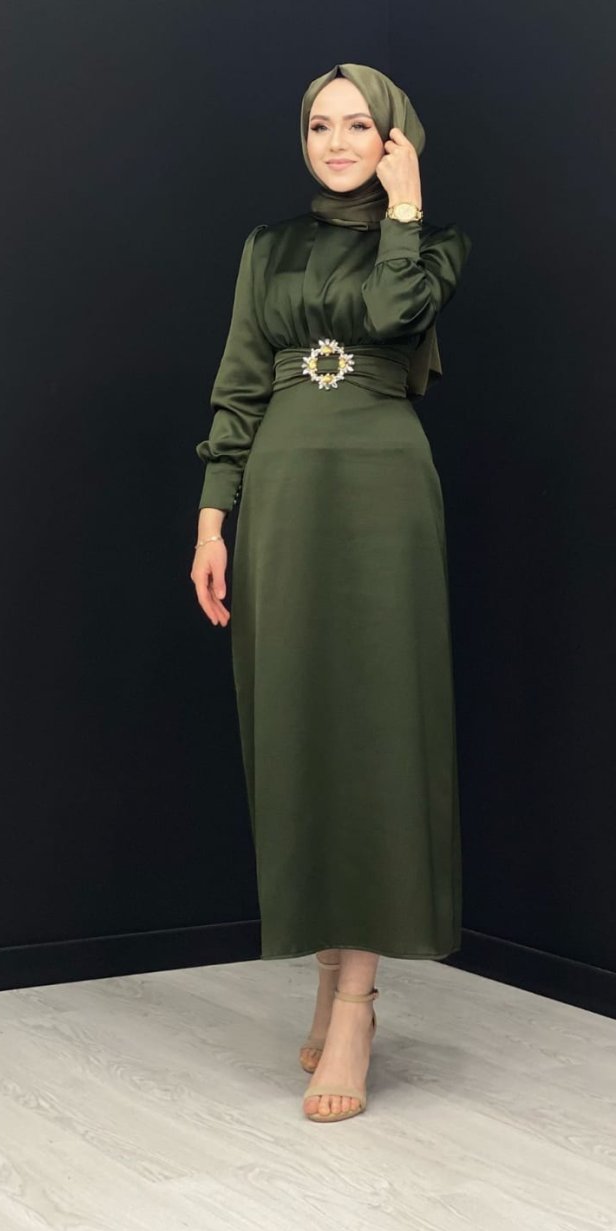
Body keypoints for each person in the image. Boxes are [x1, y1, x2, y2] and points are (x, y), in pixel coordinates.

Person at [191, 63, 472, 1122]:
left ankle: (357, 1001)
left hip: (383, 492)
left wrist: (404, 211)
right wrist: (213, 516)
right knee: (297, 722)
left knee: (376, 724)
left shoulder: (434, 245)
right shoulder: (266, 247)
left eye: (361, 124)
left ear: (397, 137)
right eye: (321, 124)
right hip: (281, 492)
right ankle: (325, 971)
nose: (339, 140)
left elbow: (394, 319)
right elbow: (238, 383)